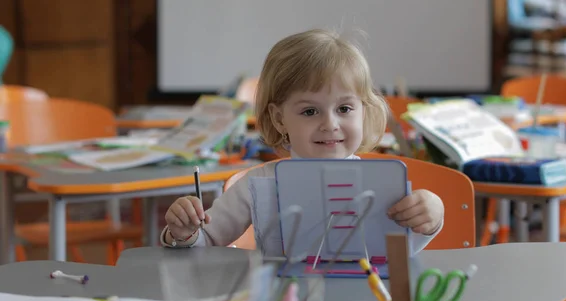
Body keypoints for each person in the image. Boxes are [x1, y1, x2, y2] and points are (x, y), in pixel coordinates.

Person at [160, 29, 444, 253]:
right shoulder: (257, 185)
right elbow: (206, 240)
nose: (330, 124)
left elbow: (402, 253)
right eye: (310, 111)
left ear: (363, 111)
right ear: (279, 118)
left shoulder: (380, 183)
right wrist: (183, 232)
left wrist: (431, 215)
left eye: (344, 109)